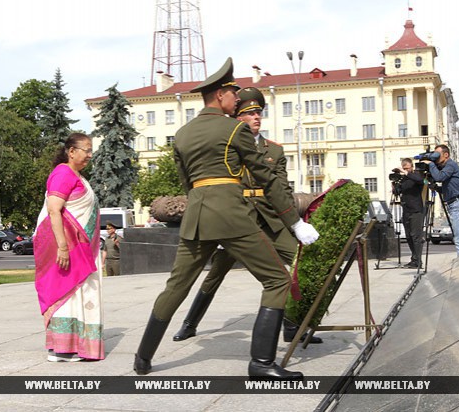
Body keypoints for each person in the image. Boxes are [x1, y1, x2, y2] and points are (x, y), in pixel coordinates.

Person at [133, 58, 319, 380]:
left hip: (196, 217)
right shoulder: (235, 128)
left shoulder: (182, 134)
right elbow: (266, 177)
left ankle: (143, 357)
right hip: (232, 217)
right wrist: (295, 222)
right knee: (277, 279)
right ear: (220, 95)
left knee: (176, 286)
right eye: (233, 94)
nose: (237, 101)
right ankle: (261, 363)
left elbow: (186, 181)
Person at [172, 86, 322, 344]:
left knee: (299, 262)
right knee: (214, 275)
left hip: (269, 219)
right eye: (249, 113)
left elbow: (282, 188)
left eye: (258, 113)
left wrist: (293, 223)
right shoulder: (224, 143)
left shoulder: (273, 150)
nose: (256, 118)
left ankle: (292, 324)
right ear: (237, 117)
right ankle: (190, 323)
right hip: (235, 220)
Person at [33, 132, 105, 362]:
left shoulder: (76, 175)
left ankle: (76, 345)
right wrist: (63, 247)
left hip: (82, 247)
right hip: (69, 248)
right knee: (68, 293)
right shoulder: (63, 174)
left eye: (91, 150)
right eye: (86, 150)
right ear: (71, 151)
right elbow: (54, 210)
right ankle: (62, 349)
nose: (90, 155)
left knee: (80, 294)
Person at [422, 144, 459, 256]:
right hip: (458, 203)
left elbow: (439, 177)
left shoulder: (450, 165)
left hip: (457, 204)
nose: (435, 158)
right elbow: (449, 189)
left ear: (446, 155)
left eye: (437, 155)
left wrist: (431, 164)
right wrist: (435, 187)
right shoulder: (449, 167)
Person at [395, 158, 425, 268]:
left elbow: (421, 181)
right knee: (408, 236)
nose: (405, 170)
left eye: (407, 168)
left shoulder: (416, 176)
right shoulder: (403, 180)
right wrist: (395, 186)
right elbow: (398, 192)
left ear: (411, 167)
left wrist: (406, 173)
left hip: (416, 210)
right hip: (406, 210)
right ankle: (414, 259)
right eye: (403, 168)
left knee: (416, 236)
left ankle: (418, 261)